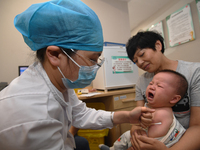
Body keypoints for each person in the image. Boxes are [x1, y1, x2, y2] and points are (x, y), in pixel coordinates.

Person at [0, 1, 155, 150]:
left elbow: (80, 114)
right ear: (55, 55)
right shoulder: (35, 114)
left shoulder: (58, 81)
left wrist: (127, 116)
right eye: (92, 59)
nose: (95, 66)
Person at [125, 30, 200, 150]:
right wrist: (138, 135)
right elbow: (136, 123)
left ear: (158, 46)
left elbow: (197, 127)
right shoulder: (141, 82)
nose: (140, 62)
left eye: (142, 54)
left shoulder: (195, 73)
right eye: (135, 61)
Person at [99, 69, 187, 150]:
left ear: (173, 99)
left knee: (127, 135)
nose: (152, 87)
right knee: (127, 135)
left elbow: (156, 135)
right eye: (151, 83)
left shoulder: (163, 112)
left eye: (159, 86)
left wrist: (139, 133)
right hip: (145, 139)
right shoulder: (150, 107)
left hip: (155, 143)